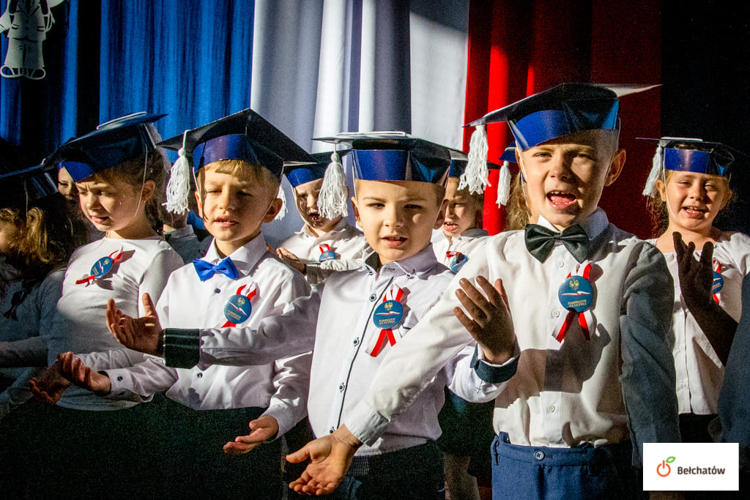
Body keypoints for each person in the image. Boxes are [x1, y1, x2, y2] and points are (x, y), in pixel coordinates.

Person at [286, 83, 682, 499]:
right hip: (513, 470)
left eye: (581, 156)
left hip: (604, 473)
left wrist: (668, 487)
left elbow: (651, 387)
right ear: (522, 166)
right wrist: (350, 436)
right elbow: (423, 348)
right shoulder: (494, 255)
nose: (559, 172)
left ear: (614, 166)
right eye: (543, 155)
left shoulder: (638, 260)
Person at [102, 133, 509, 500]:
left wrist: (495, 354)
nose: (394, 221)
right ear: (356, 210)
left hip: (398, 468)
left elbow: (468, 388)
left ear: (440, 214)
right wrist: (168, 342)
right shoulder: (338, 286)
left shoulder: (448, 291)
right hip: (317, 459)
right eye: (376, 205)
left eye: (414, 207)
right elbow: (264, 338)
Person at [35, 109, 315, 499]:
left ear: (271, 209)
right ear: (197, 201)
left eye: (244, 194)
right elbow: (159, 368)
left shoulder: (284, 280)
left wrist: (277, 418)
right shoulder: (183, 279)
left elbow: (297, 373)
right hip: (173, 432)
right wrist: (107, 381)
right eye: (215, 192)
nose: (227, 204)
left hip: (243, 429)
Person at [3, 113, 185, 499]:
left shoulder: (159, 258)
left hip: (117, 423)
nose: (91, 204)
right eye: (84, 191)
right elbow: (58, 342)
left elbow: (153, 356)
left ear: (147, 190)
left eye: (103, 190)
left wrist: (82, 369)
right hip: (58, 412)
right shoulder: (83, 253)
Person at [642, 138, 749, 444]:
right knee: (668, 489)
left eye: (711, 185)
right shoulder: (638, 256)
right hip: (658, 420)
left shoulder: (740, 252)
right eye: (685, 182)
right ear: (662, 190)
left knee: (712, 486)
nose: (697, 195)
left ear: (726, 197)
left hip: (725, 419)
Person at [276, 151, 370, 285]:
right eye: (302, 196)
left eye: (322, 194)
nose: (311, 204)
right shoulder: (286, 247)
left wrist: (306, 270)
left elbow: (365, 275)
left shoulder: (364, 244)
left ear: (343, 194)